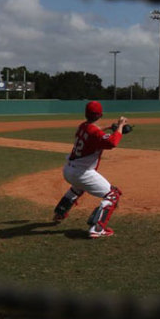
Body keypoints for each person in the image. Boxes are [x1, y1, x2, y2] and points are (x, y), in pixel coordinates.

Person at [51, 101, 127, 239]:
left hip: (68, 170)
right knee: (113, 195)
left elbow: (94, 131)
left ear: (86, 114)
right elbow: (112, 143)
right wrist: (120, 126)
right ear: (101, 114)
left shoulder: (82, 127)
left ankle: (60, 213)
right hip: (82, 172)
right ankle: (97, 229)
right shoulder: (95, 132)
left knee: (78, 188)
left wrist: (110, 127)